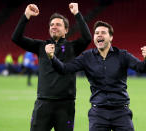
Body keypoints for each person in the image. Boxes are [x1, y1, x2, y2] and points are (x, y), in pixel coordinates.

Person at [46, 21, 146, 131]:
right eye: (96, 33)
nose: (99, 35)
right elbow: (64, 69)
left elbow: (142, 68)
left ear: (110, 37)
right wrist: (52, 57)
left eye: (103, 33)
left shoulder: (122, 55)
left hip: (121, 112)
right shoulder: (86, 57)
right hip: (98, 114)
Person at [12, 2, 91, 131]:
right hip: (43, 104)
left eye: (58, 24)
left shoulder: (72, 47)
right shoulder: (41, 46)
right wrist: (26, 15)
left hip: (66, 106)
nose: (54, 26)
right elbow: (16, 38)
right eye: (52, 25)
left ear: (66, 30)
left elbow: (87, 38)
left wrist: (77, 13)